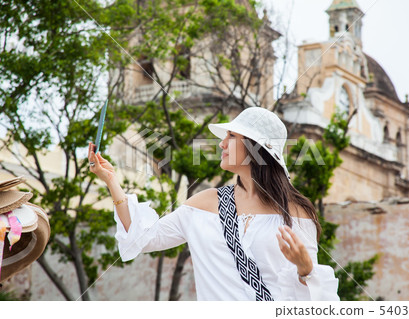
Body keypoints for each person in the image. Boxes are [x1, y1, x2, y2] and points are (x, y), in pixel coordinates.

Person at [88, 106, 339, 301]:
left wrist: (306, 269)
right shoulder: (205, 204)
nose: (221, 142)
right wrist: (111, 180)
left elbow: (311, 300)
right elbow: (141, 237)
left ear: (254, 147)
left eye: (231, 135)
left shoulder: (295, 212)